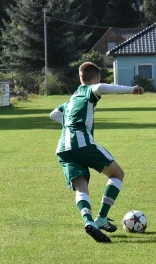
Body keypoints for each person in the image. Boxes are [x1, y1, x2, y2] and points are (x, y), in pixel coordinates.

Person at [49, 62, 144, 243]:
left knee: (80, 185)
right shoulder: (89, 90)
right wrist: (131, 89)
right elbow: (100, 88)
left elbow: (53, 114)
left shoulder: (71, 100)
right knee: (117, 173)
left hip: (63, 148)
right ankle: (101, 217)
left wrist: (69, 123)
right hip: (82, 142)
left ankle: (89, 222)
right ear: (94, 78)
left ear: (80, 77)